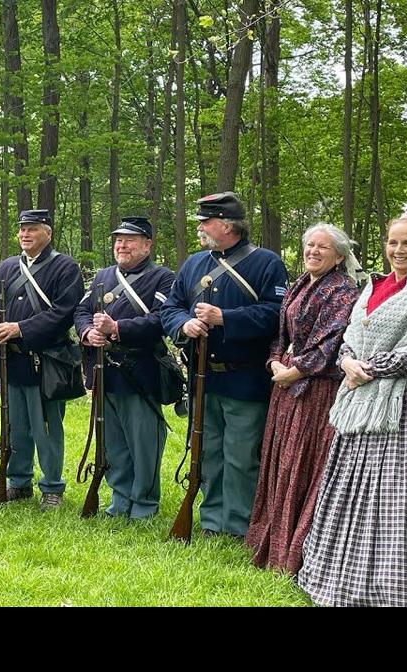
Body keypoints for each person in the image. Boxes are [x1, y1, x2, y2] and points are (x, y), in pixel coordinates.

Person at [297, 212, 407, 606]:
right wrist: (348, 361)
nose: (398, 250)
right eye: (393, 242)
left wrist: (365, 368)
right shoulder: (374, 288)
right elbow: (352, 336)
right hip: (367, 402)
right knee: (358, 492)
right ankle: (349, 577)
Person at [158, 192, 290, 538]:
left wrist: (224, 318)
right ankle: (212, 519)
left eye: (206, 221)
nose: (200, 227)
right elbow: (170, 307)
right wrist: (183, 325)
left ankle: (239, 522)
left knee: (241, 455)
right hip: (203, 378)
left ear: (227, 225)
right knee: (208, 452)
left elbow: (277, 314)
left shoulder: (266, 263)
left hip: (244, 377)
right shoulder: (194, 264)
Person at [245, 224, 360, 573]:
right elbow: (281, 333)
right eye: (309, 245)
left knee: (303, 462)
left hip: (316, 390)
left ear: (339, 256)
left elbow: (331, 344)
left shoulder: (343, 291)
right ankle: (269, 539)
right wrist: (275, 360)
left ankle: (295, 548)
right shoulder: (298, 283)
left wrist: (295, 370)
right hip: (286, 385)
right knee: (280, 459)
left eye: (322, 247)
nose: (313, 251)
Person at [0, 209, 84, 510]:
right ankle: (18, 482)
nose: (25, 234)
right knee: (15, 427)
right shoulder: (7, 267)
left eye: (32, 229)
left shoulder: (65, 267)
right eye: (22, 229)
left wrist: (20, 328)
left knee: (47, 428)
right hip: (11, 363)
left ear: (47, 233)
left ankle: (52, 487)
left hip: (45, 362)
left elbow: (64, 313)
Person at [73, 217, 175, 519]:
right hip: (105, 371)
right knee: (113, 442)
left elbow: (161, 320)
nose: (122, 245)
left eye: (129, 240)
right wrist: (86, 332)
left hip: (140, 371)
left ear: (147, 244)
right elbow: (81, 310)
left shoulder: (162, 278)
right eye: (118, 239)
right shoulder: (104, 275)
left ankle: (144, 503)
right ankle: (120, 498)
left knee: (144, 443)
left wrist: (119, 327)